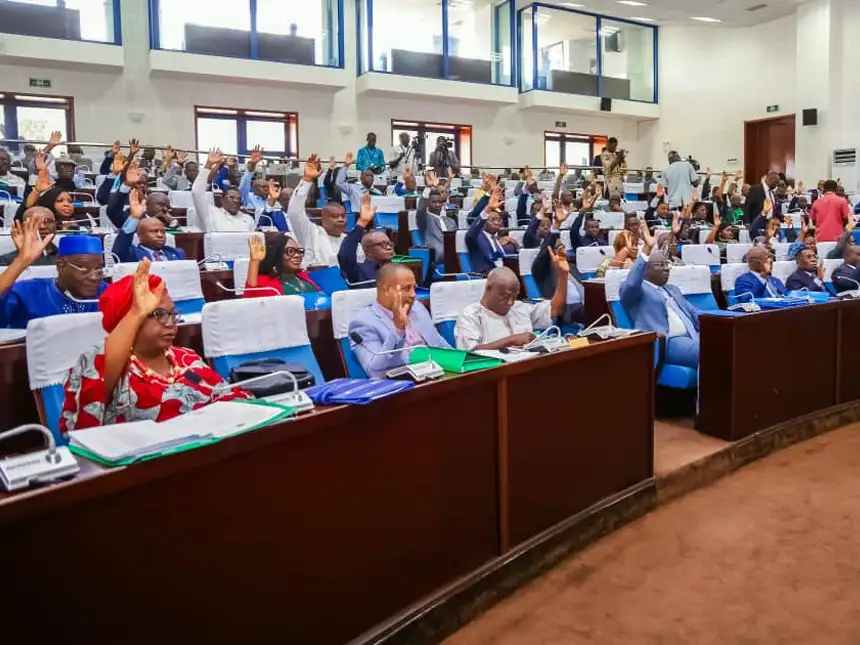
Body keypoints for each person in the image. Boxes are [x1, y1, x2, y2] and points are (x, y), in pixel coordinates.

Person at [60, 260, 250, 432]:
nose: (170, 323)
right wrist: (137, 313)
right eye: (158, 315)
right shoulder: (106, 367)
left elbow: (229, 397)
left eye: (172, 314)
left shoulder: (187, 358)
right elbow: (85, 426)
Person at [348, 262, 450, 378]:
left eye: (414, 287)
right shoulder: (362, 323)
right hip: (408, 383)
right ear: (386, 289)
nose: (413, 295)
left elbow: (438, 342)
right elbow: (375, 371)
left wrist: (462, 361)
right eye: (407, 288)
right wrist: (398, 329)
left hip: (439, 374)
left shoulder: (417, 308)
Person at [0, 218, 107, 328]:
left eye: (98, 269)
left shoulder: (105, 291)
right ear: (61, 266)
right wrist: (22, 261)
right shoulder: (27, 292)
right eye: (84, 268)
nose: (94, 277)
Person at [454, 252, 569, 350]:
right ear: (489, 289)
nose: (510, 302)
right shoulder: (471, 315)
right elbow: (468, 353)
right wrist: (510, 341)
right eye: (504, 296)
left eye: (514, 297)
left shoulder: (519, 308)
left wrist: (563, 275)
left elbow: (555, 309)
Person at [618, 236, 701, 370]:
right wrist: (647, 250)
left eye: (667, 264)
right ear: (645, 269)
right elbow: (632, 284)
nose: (666, 269)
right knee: (710, 351)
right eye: (660, 265)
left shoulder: (673, 289)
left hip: (694, 336)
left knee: (728, 344)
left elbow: (694, 312)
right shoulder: (638, 291)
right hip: (667, 342)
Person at [285, 154, 348, 267]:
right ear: (323, 218)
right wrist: (306, 180)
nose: (340, 219)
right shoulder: (311, 233)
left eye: (343, 216)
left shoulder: (349, 241)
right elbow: (294, 212)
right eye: (334, 216)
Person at [533, 203, 586, 323]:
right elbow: (544, 251)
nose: (562, 251)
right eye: (558, 248)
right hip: (566, 312)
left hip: (584, 305)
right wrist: (556, 225)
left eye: (563, 247)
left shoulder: (571, 267)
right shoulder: (542, 270)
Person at [112, 188, 186, 263]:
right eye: (154, 231)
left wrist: (171, 220)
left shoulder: (177, 253)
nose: (160, 235)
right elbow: (119, 248)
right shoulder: (133, 253)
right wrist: (134, 217)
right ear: (140, 236)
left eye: (163, 232)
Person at [338, 193, 394, 287]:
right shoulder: (358, 271)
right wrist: (362, 223)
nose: (389, 248)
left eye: (390, 244)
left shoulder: (396, 269)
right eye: (383, 245)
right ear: (368, 252)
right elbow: (346, 255)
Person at [192, 149, 255, 232]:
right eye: (231, 197)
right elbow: (196, 192)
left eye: (238, 199)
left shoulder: (248, 219)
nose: (236, 201)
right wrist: (208, 165)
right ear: (222, 199)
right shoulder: (211, 213)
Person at [244, 233, 321, 297]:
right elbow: (251, 295)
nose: (297, 255)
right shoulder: (265, 281)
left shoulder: (302, 275)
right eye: (290, 251)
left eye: (299, 251)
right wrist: (254, 262)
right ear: (277, 254)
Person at [417, 172, 457, 267]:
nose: (437, 204)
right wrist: (428, 188)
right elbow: (421, 209)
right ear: (428, 204)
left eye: (439, 202)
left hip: (455, 255)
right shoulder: (425, 219)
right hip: (437, 257)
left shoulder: (451, 221)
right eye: (434, 202)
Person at [465, 188, 506, 275]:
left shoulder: (499, 239)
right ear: (484, 222)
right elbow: (471, 234)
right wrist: (488, 208)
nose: (496, 222)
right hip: (486, 276)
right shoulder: (476, 237)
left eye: (499, 220)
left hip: (504, 273)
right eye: (492, 220)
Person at [239, 145, 270, 212]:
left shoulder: (273, 199)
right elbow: (245, 182)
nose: (267, 189)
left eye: (268, 186)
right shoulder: (248, 197)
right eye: (263, 187)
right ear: (254, 189)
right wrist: (253, 164)